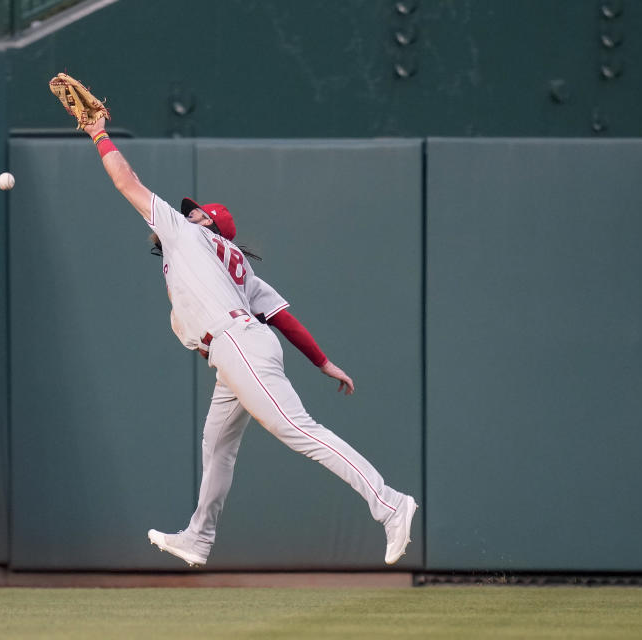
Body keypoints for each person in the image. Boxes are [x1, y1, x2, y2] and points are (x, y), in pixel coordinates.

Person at [84, 118, 418, 566]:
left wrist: (99, 134)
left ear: (212, 226)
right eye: (190, 211)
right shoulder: (237, 265)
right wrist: (322, 363)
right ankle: (198, 538)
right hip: (240, 346)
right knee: (217, 443)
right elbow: (283, 318)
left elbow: (126, 181)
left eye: (198, 212)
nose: (188, 214)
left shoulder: (188, 235)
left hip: (236, 342)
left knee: (298, 430)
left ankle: (390, 503)